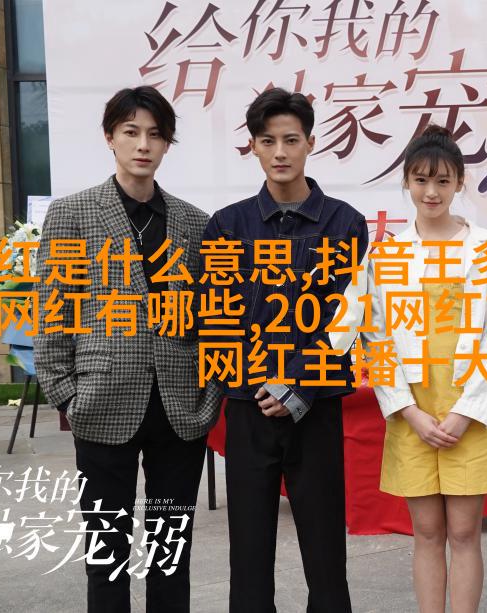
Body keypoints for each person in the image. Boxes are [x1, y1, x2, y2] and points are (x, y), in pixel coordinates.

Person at [34, 85, 222, 612]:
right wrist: (65, 393)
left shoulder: (194, 222)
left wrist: (209, 393)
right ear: (110, 137)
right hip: (102, 402)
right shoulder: (73, 213)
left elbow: (212, 317)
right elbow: (53, 309)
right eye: (131, 132)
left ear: (167, 144)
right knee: (106, 554)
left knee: (171, 553)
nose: (143, 145)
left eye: (155, 135)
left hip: (180, 409)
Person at [200, 87, 368, 613]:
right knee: (249, 548)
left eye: (291, 140)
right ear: (253, 145)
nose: (280, 152)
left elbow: (343, 315)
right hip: (249, 406)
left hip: (316, 406)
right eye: (268, 141)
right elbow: (217, 317)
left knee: (325, 546)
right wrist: (263, 384)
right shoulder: (228, 225)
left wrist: (296, 381)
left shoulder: (344, 223)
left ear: (310, 143)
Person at [364, 125, 487, 613]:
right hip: (413, 411)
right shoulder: (388, 256)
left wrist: (466, 412)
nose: (431, 192)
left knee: (465, 532)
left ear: (459, 184)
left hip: (470, 411)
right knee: (427, 532)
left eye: (443, 181)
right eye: (421, 180)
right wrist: (407, 411)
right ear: (406, 182)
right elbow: (377, 340)